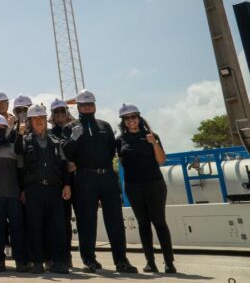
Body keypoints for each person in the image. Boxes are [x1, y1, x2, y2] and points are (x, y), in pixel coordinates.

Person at [62, 90, 137, 274]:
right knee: (86, 221)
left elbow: (112, 150)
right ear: (78, 107)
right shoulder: (70, 127)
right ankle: (89, 260)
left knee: (115, 220)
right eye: (83, 105)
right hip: (84, 177)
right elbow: (66, 153)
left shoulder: (105, 126)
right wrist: (73, 138)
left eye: (90, 104)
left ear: (95, 106)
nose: (87, 108)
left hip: (107, 177)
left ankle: (121, 261)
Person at [117, 103, 175, 273]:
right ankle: (150, 262)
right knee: (143, 223)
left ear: (139, 117)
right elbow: (121, 161)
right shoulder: (120, 140)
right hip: (133, 186)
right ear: (123, 121)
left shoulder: (151, 135)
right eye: (127, 118)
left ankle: (169, 262)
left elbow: (161, 160)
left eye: (133, 117)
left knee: (159, 222)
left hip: (154, 184)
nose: (131, 120)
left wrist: (154, 143)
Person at [15, 104, 71, 274]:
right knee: (34, 227)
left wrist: (67, 184)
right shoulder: (24, 140)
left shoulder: (56, 141)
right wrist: (22, 189)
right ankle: (37, 261)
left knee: (56, 228)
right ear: (30, 121)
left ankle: (58, 261)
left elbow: (63, 164)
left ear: (46, 120)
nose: (38, 122)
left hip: (54, 189)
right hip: (33, 190)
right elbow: (19, 162)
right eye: (35, 119)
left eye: (41, 118)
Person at [0, 113, 27, 272]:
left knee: (17, 229)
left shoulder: (14, 148)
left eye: (2, 128)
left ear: (6, 129)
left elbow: (21, 171)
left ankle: (20, 262)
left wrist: (23, 190)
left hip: (13, 195)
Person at [49, 98, 75, 268]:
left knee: (71, 222)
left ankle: (69, 254)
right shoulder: (50, 134)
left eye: (62, 112)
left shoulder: (75, 130)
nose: (59, 115)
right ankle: (59, 255)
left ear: (67, 113)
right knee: (59, 221)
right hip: (59, 182)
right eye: (56, 112)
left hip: (78, 180)